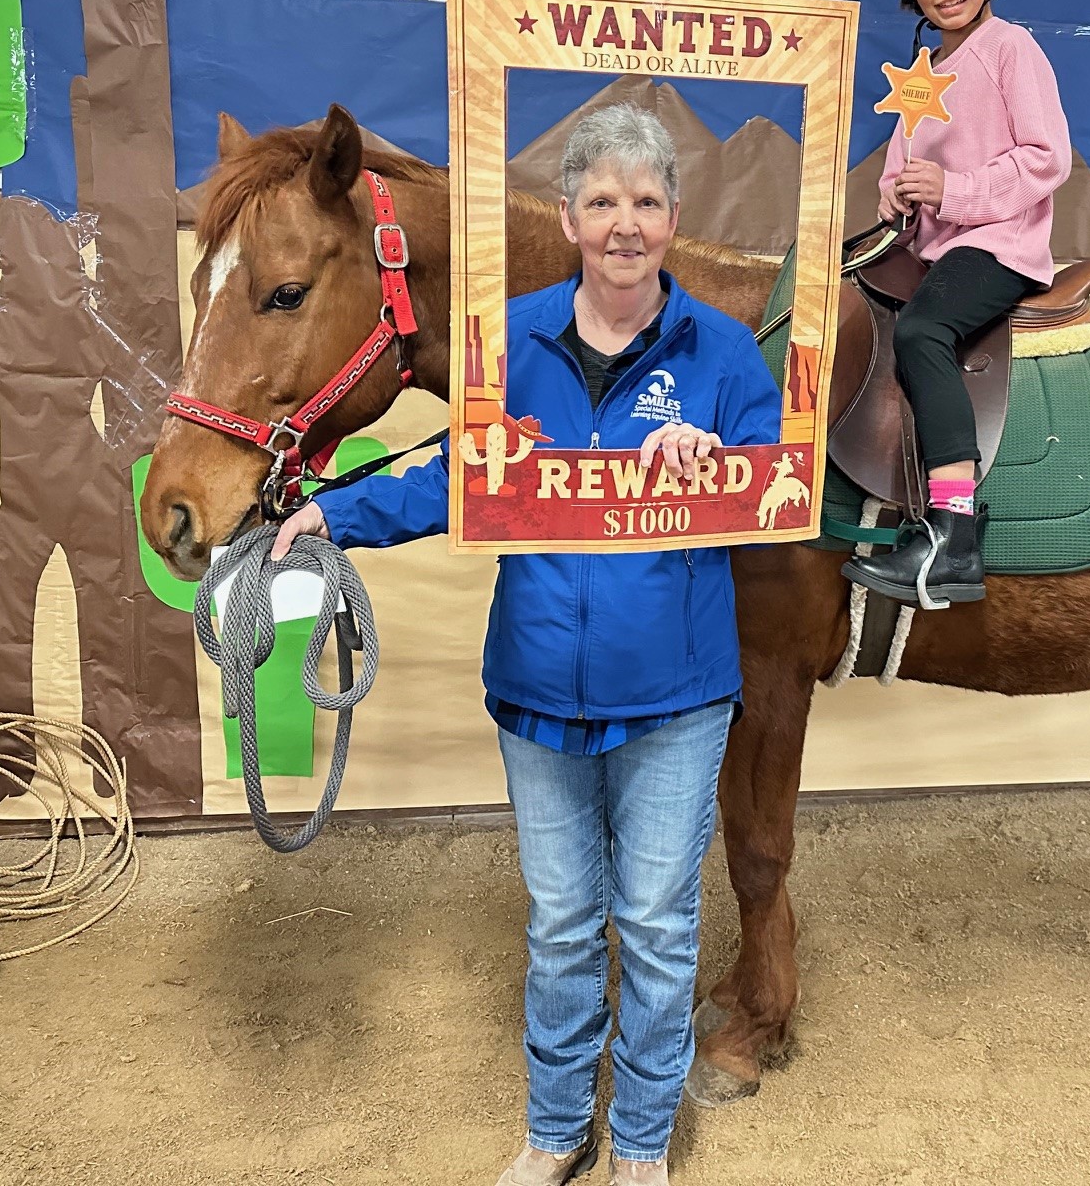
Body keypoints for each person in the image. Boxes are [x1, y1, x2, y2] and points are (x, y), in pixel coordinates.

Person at [271, 104, 783, 1186]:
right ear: (569, 217)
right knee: (560, 926)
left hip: (676, 698)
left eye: (646, 200)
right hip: (540, 688)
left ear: (673, 216)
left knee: (656, 927)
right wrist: (332, 516)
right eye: (603, 200)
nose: (625, 223)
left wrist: (717, 460)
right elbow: (454, 476)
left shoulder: (727, 354)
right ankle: (556, 1130)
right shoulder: (505, 342)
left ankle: (639, 1144)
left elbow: (774, 488)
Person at [842, 0, 1073, 608]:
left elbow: (1047, 158)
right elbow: (902, 166)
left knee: (923, 332)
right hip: (934, 248)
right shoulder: (923, 75)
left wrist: (958, 192)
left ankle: (953, 533)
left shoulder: (1012, 49)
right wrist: (898, 196)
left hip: (999, 243)